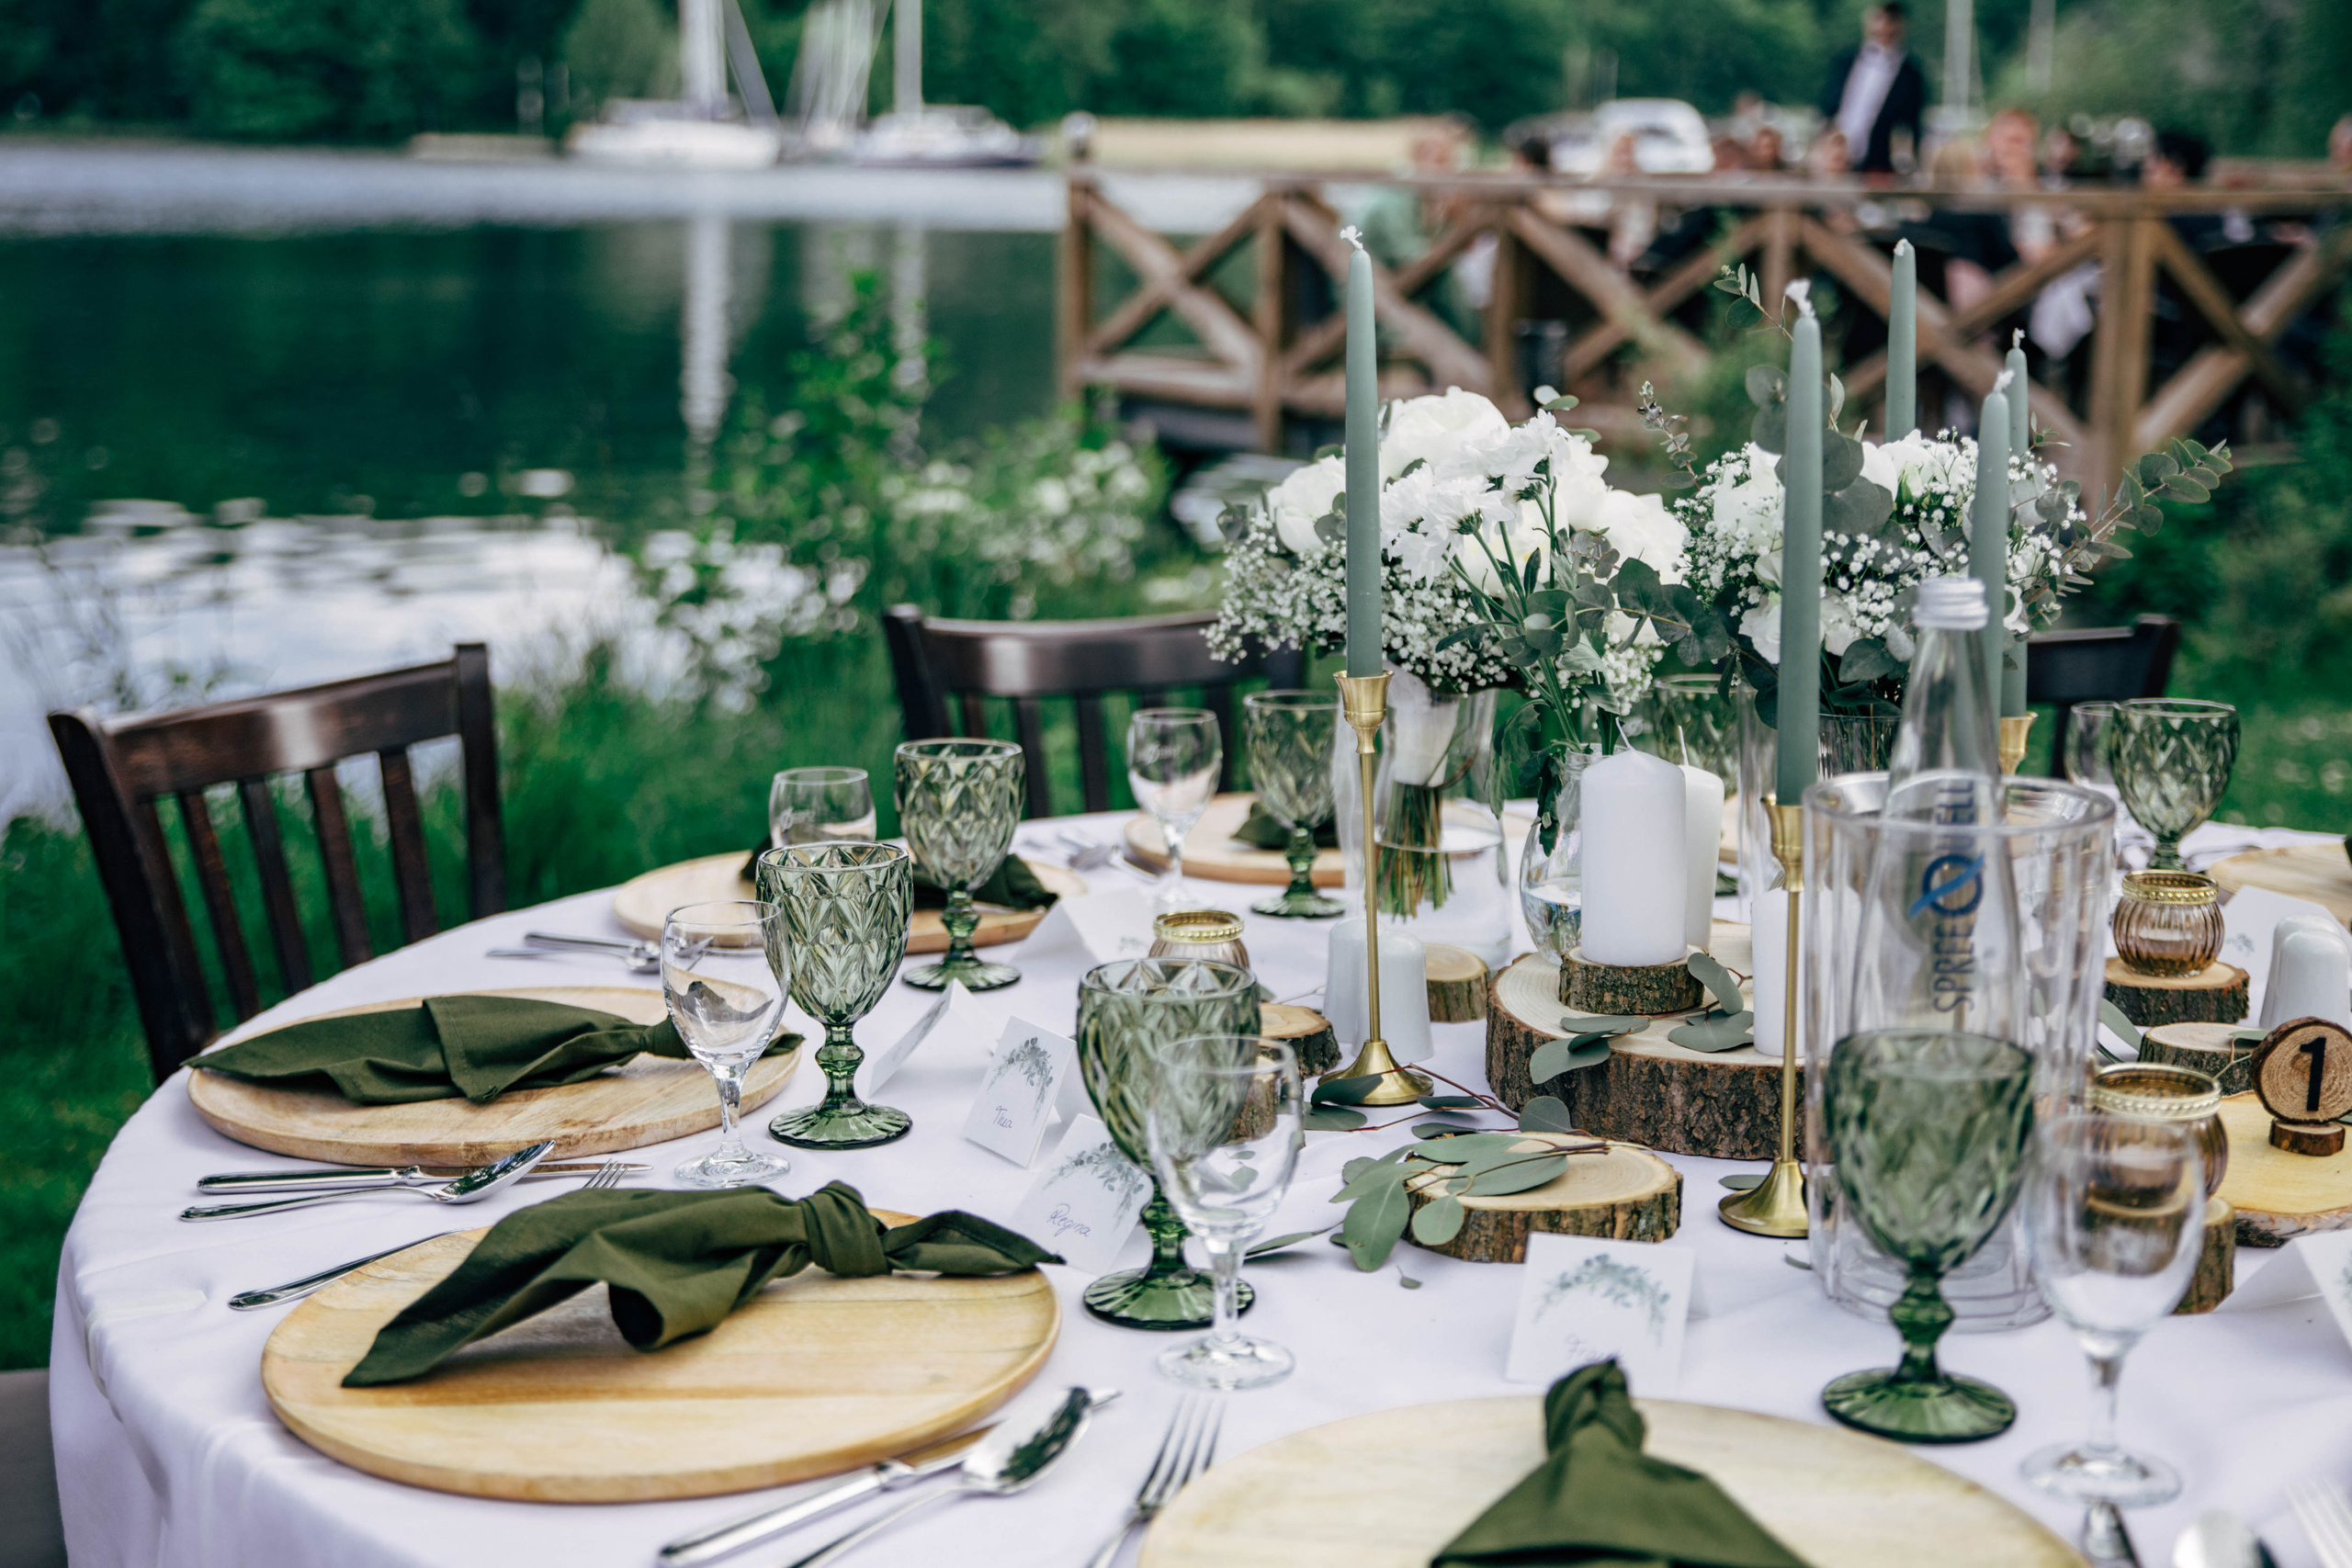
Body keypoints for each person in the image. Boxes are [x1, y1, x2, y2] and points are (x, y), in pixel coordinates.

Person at [1819, 3, 1927, 177]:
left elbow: (1912, 125)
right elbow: (1827, 105)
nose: (1884, 27)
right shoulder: (1845, 60)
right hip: (1835, 158)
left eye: (1891, 21)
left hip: (1878, 166)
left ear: (1901, 25)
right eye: (1879, 19)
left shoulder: (1911, 74)